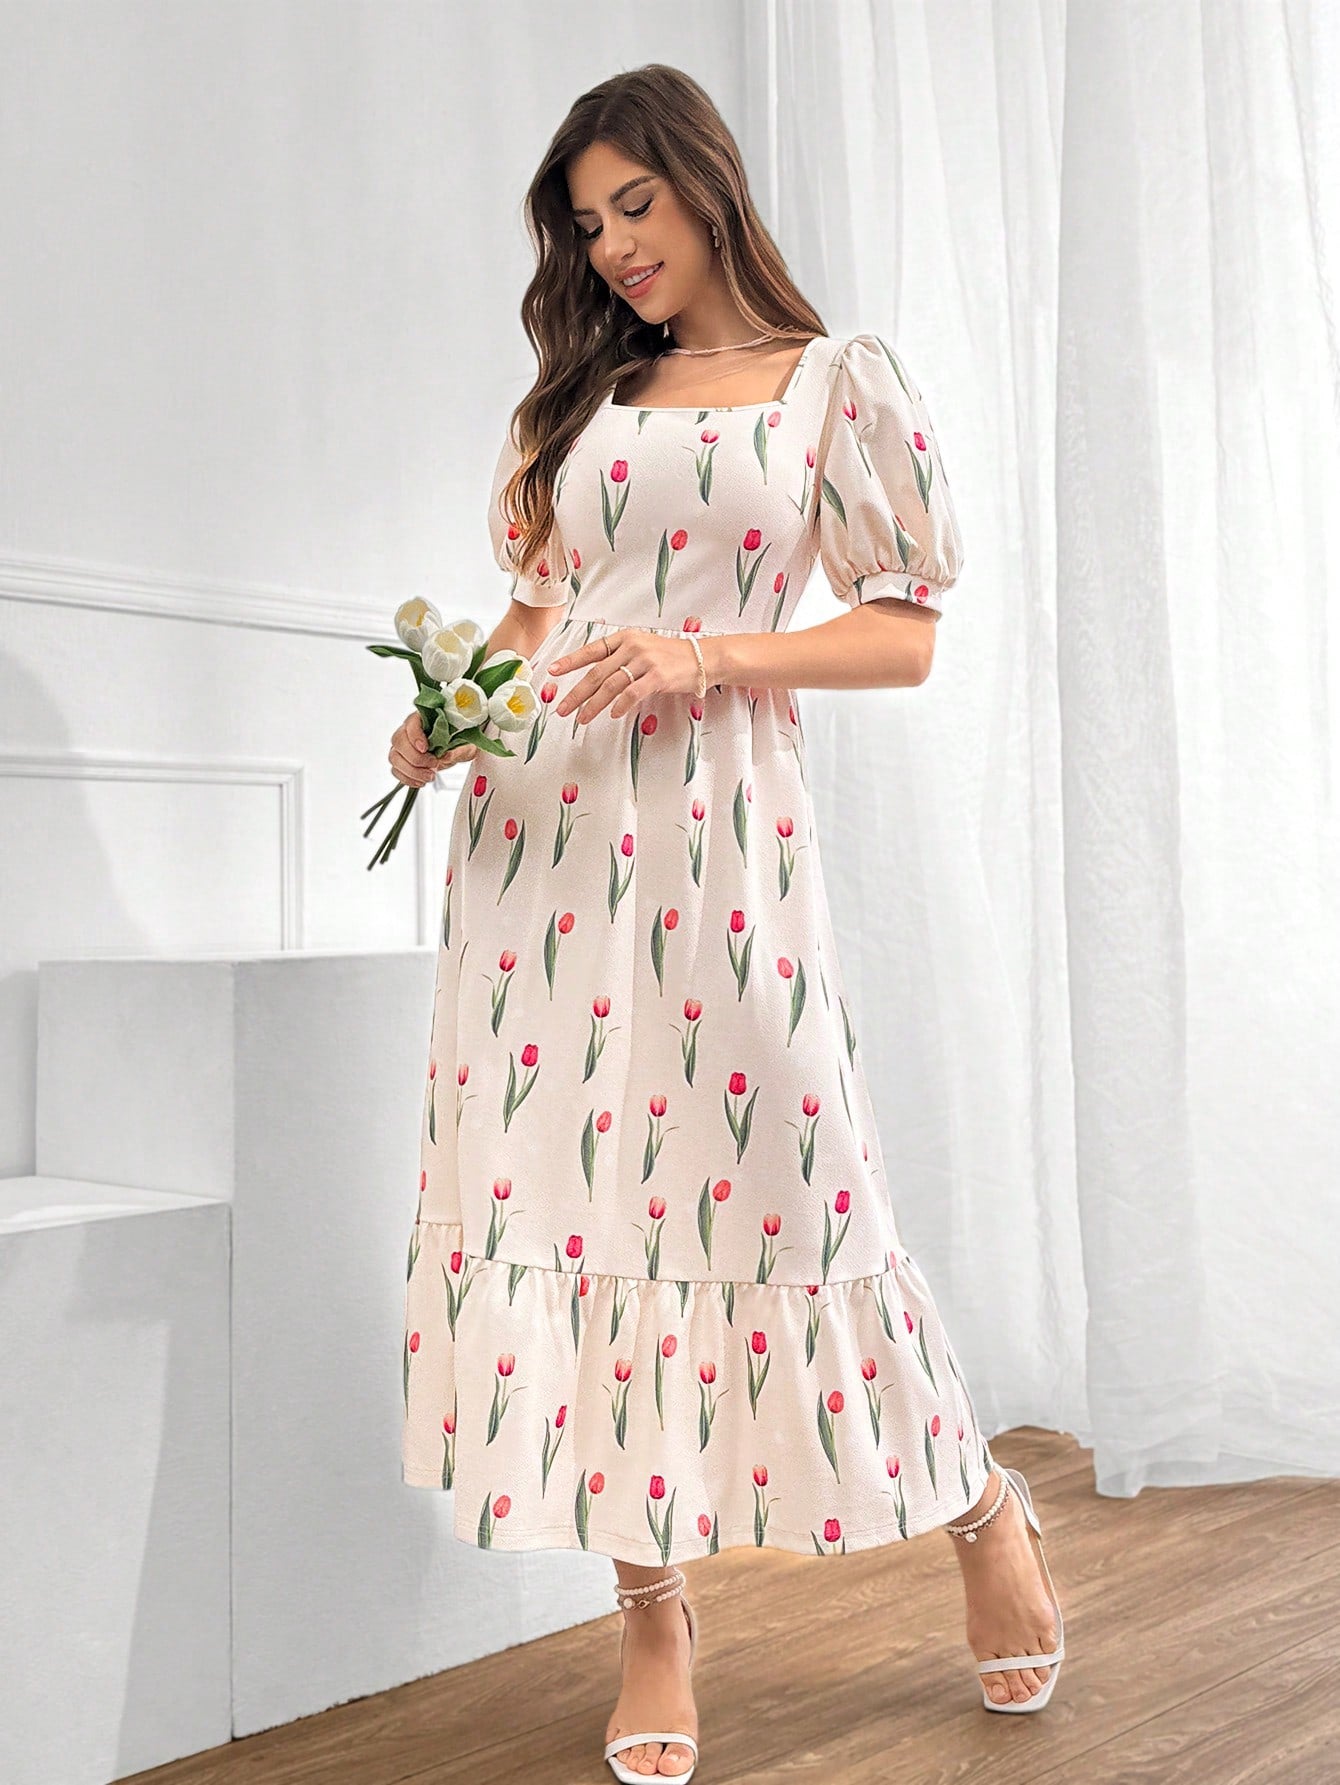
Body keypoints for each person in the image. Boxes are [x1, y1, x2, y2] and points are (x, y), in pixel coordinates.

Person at [394, 63, 1064, 1783]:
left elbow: (904, 632)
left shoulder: (839, 384)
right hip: (540, 847)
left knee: (806, 1185)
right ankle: (651, 1610)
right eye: (586, 222)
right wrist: (452, 712)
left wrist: (704, 655)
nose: (616, 245)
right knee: (579, 1200)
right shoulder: (578, 404)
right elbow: (536, 618)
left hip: (719, 833)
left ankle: (976, 1501)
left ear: (709, 183)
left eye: (637, 204)